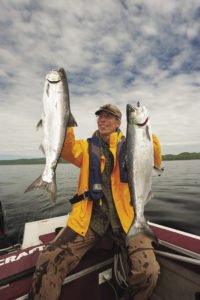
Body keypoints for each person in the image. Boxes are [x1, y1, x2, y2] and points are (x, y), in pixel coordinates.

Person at [29, 104, 162, 300]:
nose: (102, 120)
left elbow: (156, 160)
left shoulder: (133, 145)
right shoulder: (85, 147)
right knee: (48, 260)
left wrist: (146, 134)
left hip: (127, 221)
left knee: (149, 272)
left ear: (118, 122)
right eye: (100, 116)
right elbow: (66, 147)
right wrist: (64, 119)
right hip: (90, 221)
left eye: (109, 117)